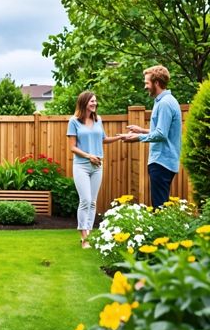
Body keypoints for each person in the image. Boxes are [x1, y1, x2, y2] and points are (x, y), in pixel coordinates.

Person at [118, 65, 182, 209]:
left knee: (159, 207)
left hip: (161, 161)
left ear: (157, 83)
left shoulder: (165, 103)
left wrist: (137, 138)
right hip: (164, 161)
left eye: (147, 83)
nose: (145, 86)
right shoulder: (165, 101)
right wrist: (142, 130)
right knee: (160, 205)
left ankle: (162, 232)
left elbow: (161, 135)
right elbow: (162, 131)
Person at [67, 91, 122, 248]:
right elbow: (72, 147)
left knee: (92, 202)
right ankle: (84, 237)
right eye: (92, 101)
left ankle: (88, 233)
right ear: (84, 102)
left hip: (97, 166)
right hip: (81, 166)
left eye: (95, 101)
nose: (94, 104)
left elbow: (103, 139)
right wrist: (89, 156)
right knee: (85, 200)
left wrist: (119, 137)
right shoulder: (74, 121)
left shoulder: (98, 120)